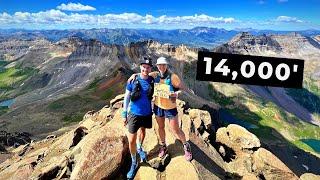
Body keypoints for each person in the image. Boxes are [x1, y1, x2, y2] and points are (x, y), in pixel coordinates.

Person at [128, 56, 193, 161]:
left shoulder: (172, 77)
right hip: (158, 107)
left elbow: (183, 89)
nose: (161, 67)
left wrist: (176, 94)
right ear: (157, 66)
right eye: (159, 65)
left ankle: (186, 145)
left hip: (170, 108)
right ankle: (163, 146)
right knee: (161, 127)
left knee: (175, 129)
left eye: (164, 64)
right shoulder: (155, 75)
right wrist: (134, 74)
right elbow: (144, 73)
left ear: (166, 65)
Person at [122, 57, 154, 179]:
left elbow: (160, 75)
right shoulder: (132, 80)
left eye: (148, 67)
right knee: (131, 140)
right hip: (134, 114)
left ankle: (140, 147)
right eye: (144, 67)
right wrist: (124, 113)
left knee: (143, 131)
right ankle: (134, 161)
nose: (145, 69)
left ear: (150, 68)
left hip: (146, 113)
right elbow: (126, 97)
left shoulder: (152, 79)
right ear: (140, 67)